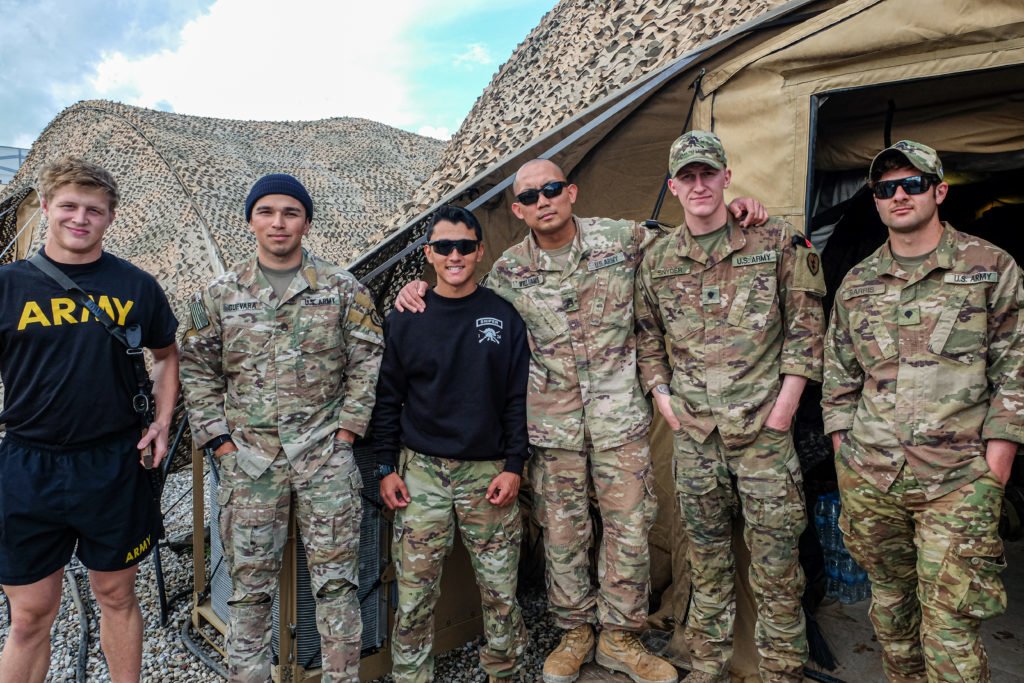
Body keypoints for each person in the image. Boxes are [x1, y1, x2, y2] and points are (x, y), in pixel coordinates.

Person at [396, 159, 766, 683]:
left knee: (630, 532)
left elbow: (688, 237)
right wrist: (412, 290)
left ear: (570, 192)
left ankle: (620, 638)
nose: (542, 201)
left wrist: (731, 209)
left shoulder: (623, 239)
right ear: (519, 211)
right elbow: (457, 290)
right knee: (564, 535)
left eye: (551, 189)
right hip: (554, 431)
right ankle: (574, 633)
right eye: (529, 197)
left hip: (621, 425)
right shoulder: (506, 271)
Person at [821, 140, 1022, 682]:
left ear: (939, 190)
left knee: (952, 629)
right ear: (876, 201)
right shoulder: (858, 283)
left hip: (958, 481)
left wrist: (994, 469)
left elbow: (1016, 368)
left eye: (912, 184)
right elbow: (839, 377)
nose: (899, 195)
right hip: (872, 478)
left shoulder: (989, 267)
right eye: (886, 189)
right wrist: (845, 456)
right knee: (890, 613)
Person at [635, 131, 825, 683]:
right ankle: (707, 667)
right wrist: (665, 404)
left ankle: (783, 673)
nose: (699, 185)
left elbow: (807, 332)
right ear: (673, 187)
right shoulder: (659, 259)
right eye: (687, 177)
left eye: (707, 174)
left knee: (777, 573)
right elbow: (648, 341)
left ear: (726, 178)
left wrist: (785, 409)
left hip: (764, 438)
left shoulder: (776, 241)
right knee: (708, 565)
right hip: (695, 439)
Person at [179, 173, 384, 682]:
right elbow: (196, 372)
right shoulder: (220, 296)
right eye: (267, 211)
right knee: (249, 591)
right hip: (250, 465)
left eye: (290, 212)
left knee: (338, 588)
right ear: (251, 220)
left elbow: (367, 362)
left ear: (306, 222)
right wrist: (221, 445)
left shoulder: (342, 289)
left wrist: (347, 435)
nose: (278, 222)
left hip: (325, 462)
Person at [0, 158, 179, 683]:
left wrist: (163, 422)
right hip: (28, 463)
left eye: (93, 210)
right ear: (48, 208)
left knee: (117, 595)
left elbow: (167, 355)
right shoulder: (8, 286)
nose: (81, 218)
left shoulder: (135, 286)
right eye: (70, 206)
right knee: (31, 615)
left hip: (112, 462)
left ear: (110, 218)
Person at [372, 205, 530, 682]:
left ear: (480, 251)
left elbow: (517, 398)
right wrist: (385, 466)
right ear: (429, 255)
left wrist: (515, 465)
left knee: (501, 589)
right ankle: (411, 676)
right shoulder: (406, 317)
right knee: (416, 593)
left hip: (488, 474)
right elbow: (387, 398)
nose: (455, 255)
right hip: (421, 473)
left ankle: (504, 670)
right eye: (444, 247)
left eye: (464, 246)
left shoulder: (503, 317)